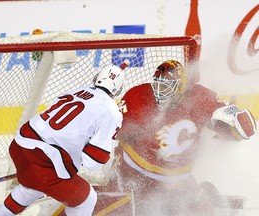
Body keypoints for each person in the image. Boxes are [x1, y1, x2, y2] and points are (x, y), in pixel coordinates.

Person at [94, 60, 257, 215]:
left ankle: (204, 197)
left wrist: (234, 121)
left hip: (178, 179)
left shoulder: (198, 97)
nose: (159, 91)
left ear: (180, 88)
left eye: (165, 87)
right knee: (135, 210)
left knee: (203, 211)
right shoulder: (137, 96)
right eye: (157, 85)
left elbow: (224, 113)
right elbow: (112, 128)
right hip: (135, 174)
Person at [0, 62, 127, 216]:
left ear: (96, 78)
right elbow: (93, 162)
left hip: (20, 145)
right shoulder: (112, 112)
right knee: (86, 199)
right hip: (45, 159)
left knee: (32, 185)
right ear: (118, 90)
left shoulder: (79, 90)